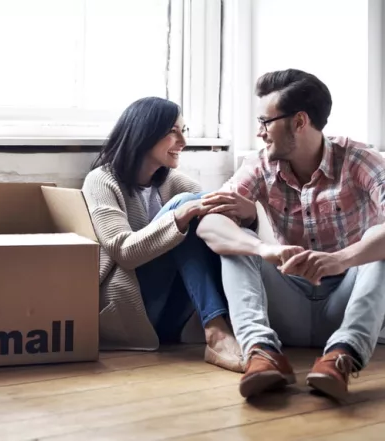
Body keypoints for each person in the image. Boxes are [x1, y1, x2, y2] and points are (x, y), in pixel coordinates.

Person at [197, 68, 385, 400]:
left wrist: (341, 259)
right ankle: (262, 353)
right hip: (287, 303)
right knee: (236, 244)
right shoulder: (259, 165)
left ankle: (341, 357)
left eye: (266, 122)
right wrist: (262, 250)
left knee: (379, 248)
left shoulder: (359, 160)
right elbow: (208, 225)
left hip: (348, 301)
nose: (260, 133)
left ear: (299, 122)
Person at [81, 96, 244, 373]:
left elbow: (209, 207)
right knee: (185, 209)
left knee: (201, 208)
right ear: (144, 133)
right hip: (133, 310)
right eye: (173, 131)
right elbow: (124, 252)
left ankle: (240, 325)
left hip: (174, 312)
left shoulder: (171, 181)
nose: (183, 142)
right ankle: (217, 333)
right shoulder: (101, 180)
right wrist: (179, 216)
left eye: (184, 130)